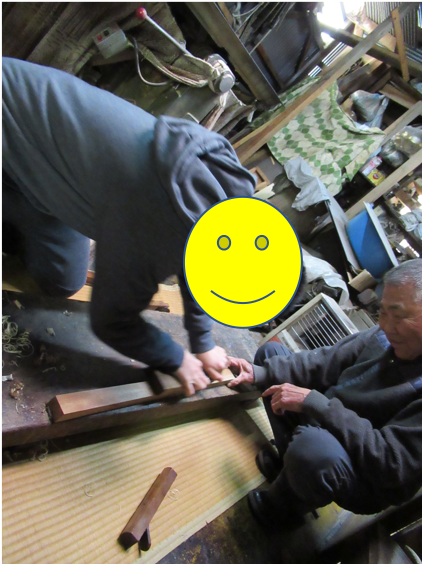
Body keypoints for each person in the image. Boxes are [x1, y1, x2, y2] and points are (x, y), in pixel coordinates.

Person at [1, 56, 256, 396]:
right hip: (12, 121)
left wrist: (203, 342)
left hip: (50, 164)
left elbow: (201, 269)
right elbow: (112, 322)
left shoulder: (231, 201)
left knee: (62, 280)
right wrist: (175, 358)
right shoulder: (155, 224)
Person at [228, 259, 422, 526]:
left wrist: (318, 405)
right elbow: (325, 361)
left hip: (363, 472)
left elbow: (390, 464)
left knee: (314, 452)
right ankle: (290, 465)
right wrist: (259, 373)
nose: (387, 326)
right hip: (327, 424)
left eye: (399, 316)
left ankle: (283, 509)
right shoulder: (381, 335)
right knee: (271, 356)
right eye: (383, 312)